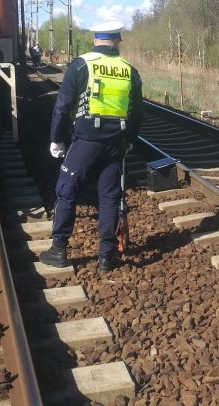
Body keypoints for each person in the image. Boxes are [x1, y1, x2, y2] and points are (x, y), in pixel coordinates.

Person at [41, 21, 143, 271]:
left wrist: (56, 139)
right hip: (116, 142)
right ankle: (106, 256)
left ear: (95, 39)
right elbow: (138, 112)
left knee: (66, 189)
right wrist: (129, 139)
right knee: (109, 196)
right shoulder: (129, 69)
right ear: (117, 41)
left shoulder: (82, 64)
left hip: (87, 140)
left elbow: (63, 106)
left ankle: (58, 249)